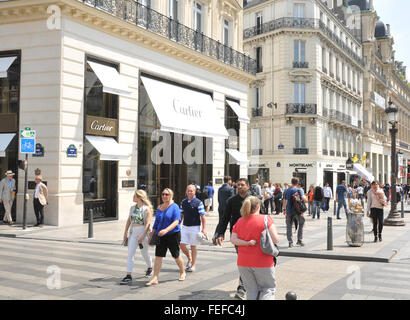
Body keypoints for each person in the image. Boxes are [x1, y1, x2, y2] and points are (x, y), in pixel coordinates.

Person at [230, 196, 280, 300]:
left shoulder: (240, 221)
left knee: (251, 290)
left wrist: (247, 243)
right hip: (263, 261)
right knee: (268, 289)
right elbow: (276, 239)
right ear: (258, 206)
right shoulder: (266, 219)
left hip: (243, 262)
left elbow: (233, 240)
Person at [216, 178, 252, 300]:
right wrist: (220, 233)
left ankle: (247, 285)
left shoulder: (254, 199)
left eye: (242, 185)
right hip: (238, 237)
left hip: (253, 236)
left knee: (250, 261)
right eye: (238, 185)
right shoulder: (231, 201)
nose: (240, 187)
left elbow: (262, 217)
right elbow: (225, 218)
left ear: (248, 186)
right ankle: (242, 288)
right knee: (244, 261)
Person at [146, 188, 186, 286]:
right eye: (163, 194)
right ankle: (155, 277)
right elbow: (157, 222)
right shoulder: (159, 207)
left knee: (175, 255)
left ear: (171, 196)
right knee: (158, 256)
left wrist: (166, 230)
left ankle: (182, 272)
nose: (164, 196)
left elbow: (177, 221)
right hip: (160, 235)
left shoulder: (175, 206)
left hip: (173, 235)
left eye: (167, 194)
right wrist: (152, 232)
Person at [120, 189, 153, 285]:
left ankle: (150, 267)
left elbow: (147, 224)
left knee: (144, 253)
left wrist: (143, 236)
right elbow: (129, 221)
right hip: (133, 233)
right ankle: (128, 275)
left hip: (143, 233)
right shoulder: (132, 208)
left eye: (134, 196)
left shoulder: (146, 209)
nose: (133, 197)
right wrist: (125, 233)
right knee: (130, 254)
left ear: (139, 197)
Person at [180, 185, 207, 272]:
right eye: (188, 190)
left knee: (193, 246)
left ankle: (193, 265)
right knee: (182, 245)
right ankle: (189, 258)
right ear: (186, 191)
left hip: (195, 227)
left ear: (194, 192)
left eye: (191, 191)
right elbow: (181, 215)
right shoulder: (183, 202)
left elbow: (203, 216)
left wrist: (204, 229)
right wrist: (177, 225)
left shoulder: (199, 202)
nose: (189, 192)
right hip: (185, 227)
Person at [283, 177, 307, 248]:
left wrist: (284, 209)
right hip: (298, 211)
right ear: (297, 183)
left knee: (289, 226)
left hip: (289, 211)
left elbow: (284, 201)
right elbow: (304, 199)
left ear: (291, 182)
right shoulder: (299, 190)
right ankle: (299, 240)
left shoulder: (286, 190)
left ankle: (290, 242)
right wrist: (306, 198)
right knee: (301, 224)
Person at [212, 176, 234, 244]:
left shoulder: (220, 189)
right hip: (228, 209)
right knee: (231, 222)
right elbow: (232, 200)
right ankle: (232, 237)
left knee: (221, 222)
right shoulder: (230, 189)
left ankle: (216, 235)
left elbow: (218, 199)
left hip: (221, 207)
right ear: (229, 180)